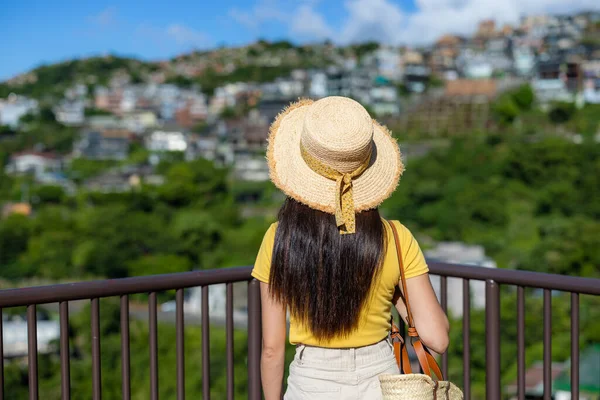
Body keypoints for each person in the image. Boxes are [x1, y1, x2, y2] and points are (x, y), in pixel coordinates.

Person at [251, 96, 449, 400]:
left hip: (311, 381)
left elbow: (271, 349)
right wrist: (393, 293)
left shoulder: (279, 238)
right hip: (381, 381)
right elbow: (437, 338)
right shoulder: (396, 237)